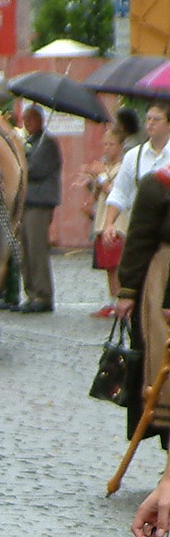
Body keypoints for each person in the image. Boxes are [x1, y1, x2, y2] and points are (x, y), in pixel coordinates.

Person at [116, 167, 170, 454]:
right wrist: (128, 290)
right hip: (163, 279)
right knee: (163, 361)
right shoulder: (159, 184)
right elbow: (139, 238)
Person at [101, 102, 170, 250]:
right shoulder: (133, 156)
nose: (150, 123)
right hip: (140, 232)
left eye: (156, 119)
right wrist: (109, 224)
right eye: (148, 119)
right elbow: (119, 192)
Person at [18, 105, 61, 314]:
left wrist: (20, 162)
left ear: (40, 120)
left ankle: (43, 294)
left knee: (36, 251)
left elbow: (34, 170)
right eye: (25, 120)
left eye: (31, 119)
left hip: (39, 203)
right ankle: (31, 292)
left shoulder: (48, 143)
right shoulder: (29, 142)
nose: (27, 123)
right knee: (24, 251)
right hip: (26, 203)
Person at [82, 123, 125, 317]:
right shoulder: (105, 166)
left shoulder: (124, 167)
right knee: (108, 266)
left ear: (120, 146)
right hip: (102, 222)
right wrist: (91, 183)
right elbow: (100, 191)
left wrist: (100, 177)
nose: (107, 148)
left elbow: (116, 192)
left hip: (118, 223)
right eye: (105, 144)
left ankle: (121, 300)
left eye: (111, 144)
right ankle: (111, 300)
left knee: (117, 265)